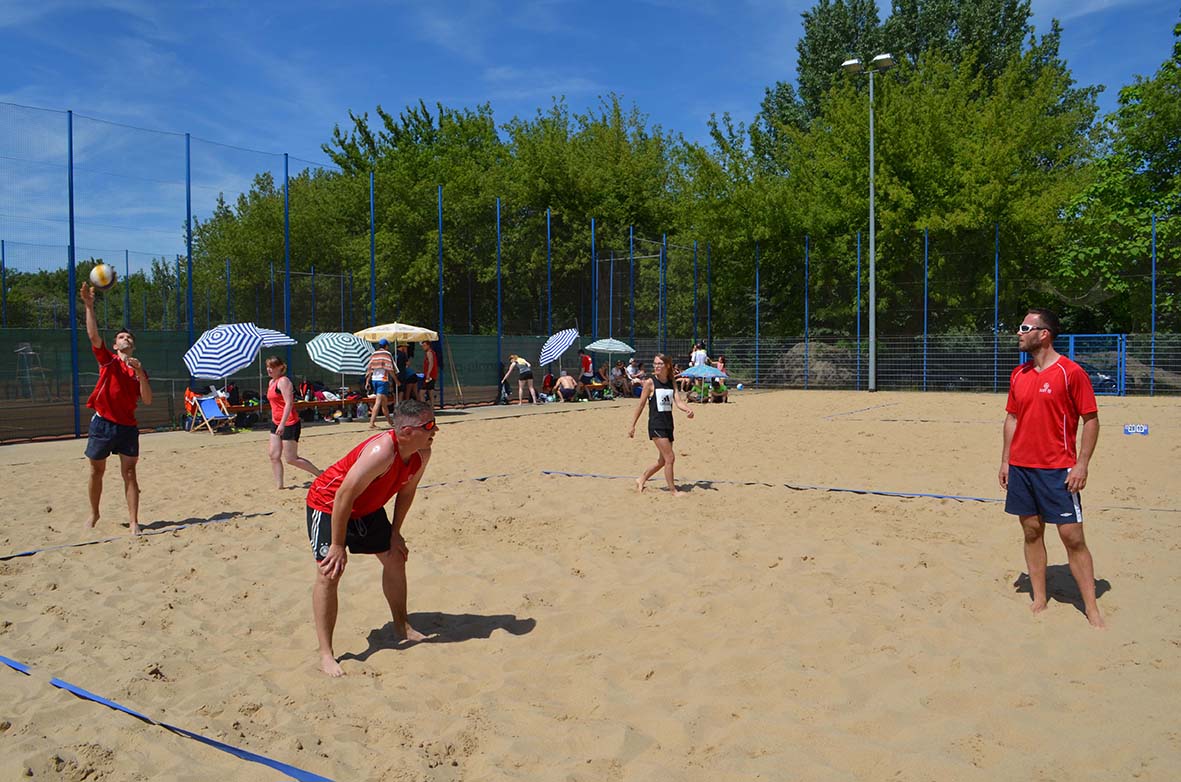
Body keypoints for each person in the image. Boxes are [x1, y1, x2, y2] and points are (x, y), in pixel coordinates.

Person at [306, 399, 438, 676]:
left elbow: (407, 492)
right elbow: (343, 496)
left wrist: (395, 533)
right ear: (406, 431)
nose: (435, 430)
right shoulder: (381, 452)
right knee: (329, 573)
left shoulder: (421, 453)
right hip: (329, 504)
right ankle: (326, 653)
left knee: (396, 558)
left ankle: (402, 626)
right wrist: (338, 545)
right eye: (429, 426)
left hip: (367, 507)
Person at [999, 308, 1104, 628]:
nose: (1019, 333)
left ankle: (1092, 609)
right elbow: (1012, 418)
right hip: (1021, 468)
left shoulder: (1070, 373)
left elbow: (1091, 420)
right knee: (1032, 531)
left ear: (1044, 334)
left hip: (1058, 469)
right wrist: (1005, 460)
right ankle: (1040, 598)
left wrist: (1081, 464)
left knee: (1072, 537)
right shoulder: (1019, 374)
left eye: (1024, 327)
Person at [80, 283, 153, 535]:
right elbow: (93, 337)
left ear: (133, 346)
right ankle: (94, 513)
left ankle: (134, 522)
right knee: (96, 470)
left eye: (129, 338)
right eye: (121, 337)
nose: (126, 339)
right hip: (103, 423)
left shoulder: (139, 370)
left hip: (127, 426)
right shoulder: (109, 362)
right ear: (115, 345)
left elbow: (147, 400)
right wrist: (89, 306)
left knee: (130, 472)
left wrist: (140, 374)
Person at [628, 353, 694, 495]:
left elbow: (678, 402)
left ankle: (641, 479)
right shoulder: (650, 382)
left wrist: (688, 410)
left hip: (668, 424)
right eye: (655, 363)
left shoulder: (671, 382)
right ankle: (673, 490)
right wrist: (632, 425)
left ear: (667, 366)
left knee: (662, 461)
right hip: (656, 424)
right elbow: (640, 405)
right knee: (670, 458)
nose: (656, 366)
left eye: (660, 363)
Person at [265, 356, 322, 490]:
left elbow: (289, 403)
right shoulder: (271, 382)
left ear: (280, 368)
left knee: (291, 459)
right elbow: (275, 404)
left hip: (289, 422)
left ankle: (320, 474)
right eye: (268, 367)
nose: (269, 369)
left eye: (272, 367)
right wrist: (276, 421)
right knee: (274, 455)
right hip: (276, 422)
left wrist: (282, 424)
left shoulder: (283, 381)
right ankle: (280, 486)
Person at [364, 339, 396, 429]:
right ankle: (372, 423)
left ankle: (390, 422)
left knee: (384, 403)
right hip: (383, 380)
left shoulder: (374, 354)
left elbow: (370, 369)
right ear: (386, 346)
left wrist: (367, 381)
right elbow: (390, 369)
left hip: (374, 380)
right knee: (378, 402)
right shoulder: (386, 354)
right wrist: (396, 380)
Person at [419, 340, 438, 405]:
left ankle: (424, 407)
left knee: (421, 392)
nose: (423, 347)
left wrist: (428, 374)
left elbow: (431, 363)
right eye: (422, 346)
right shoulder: (432, 352)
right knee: (430, 391)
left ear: (428, 345)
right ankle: (432, 407)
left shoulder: (429, 352)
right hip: (433, 375)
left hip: (429, 375)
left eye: (424, 345)